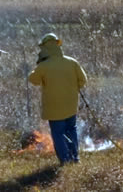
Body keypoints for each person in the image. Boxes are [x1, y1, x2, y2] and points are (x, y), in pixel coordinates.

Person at [29, 33, 87, 165]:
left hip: (54, 108)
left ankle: (65, 160)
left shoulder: (44, 66)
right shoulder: (72, 62)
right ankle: (75, 158)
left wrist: (37, 66)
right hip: (71, 105)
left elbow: (33, 80)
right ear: (57, 45)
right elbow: (83, 81)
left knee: (58, 133)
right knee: (71, 130)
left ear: (45, 48)